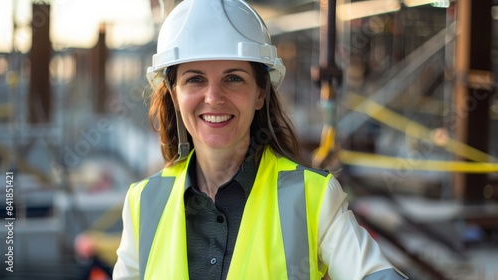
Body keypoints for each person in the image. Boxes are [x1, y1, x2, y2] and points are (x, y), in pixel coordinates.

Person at [113, 0, 407, 279]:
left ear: (260, 93)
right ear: (174, 94)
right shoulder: (143, 203)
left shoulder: (311, 196)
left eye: (233, 78)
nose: (213, 98)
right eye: (195, 79)